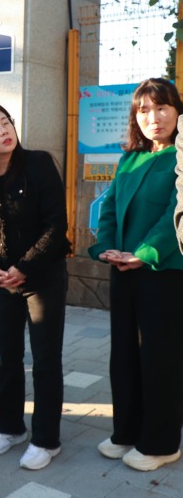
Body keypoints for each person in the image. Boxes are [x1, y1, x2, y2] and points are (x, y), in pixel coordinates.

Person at [0, 102, 69, 471]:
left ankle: (46, 439)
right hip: (2, 282)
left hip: (43, 278)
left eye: (6, 122)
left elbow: (57, 225)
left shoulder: (38, 163)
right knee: (8, 359)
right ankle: (9, 428)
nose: (4, 130)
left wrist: (23, 268)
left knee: (45, 360)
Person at [94, 78, 183, 471]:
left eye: (162, 107)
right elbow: (110, 206)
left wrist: (144, 254)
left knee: (159, 358)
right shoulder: (131, 157)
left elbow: (175, 215)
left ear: (177, 111)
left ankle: (162, 443)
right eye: (144, 110)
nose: (154, 117)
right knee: (124, 355)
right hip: (124, 270)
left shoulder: (180, 156)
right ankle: (126, 432)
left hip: (163, 271)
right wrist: (106, 247)